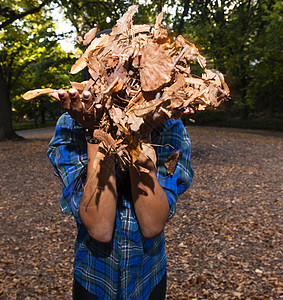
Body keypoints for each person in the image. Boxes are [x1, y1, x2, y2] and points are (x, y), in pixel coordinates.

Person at [47, 37, 194, 300]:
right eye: (106, 72)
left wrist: (141, 133)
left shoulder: (169, 126)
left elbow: (152, 224)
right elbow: (100, 228)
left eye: (128, 71)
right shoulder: (70, 124)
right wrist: (96, 133)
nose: (120, 84)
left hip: (148, 278)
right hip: (94, 278)